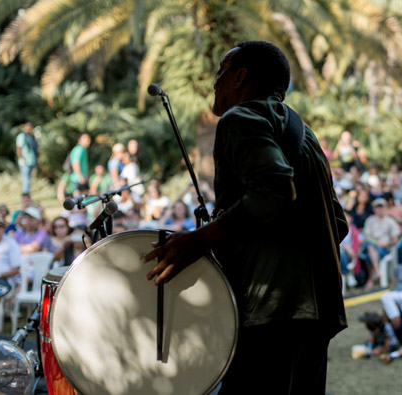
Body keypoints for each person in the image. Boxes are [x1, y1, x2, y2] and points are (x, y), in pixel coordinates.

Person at [143, 41, 348, 394]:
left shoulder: (242, 117)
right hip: (319, 311)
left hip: (273, 308)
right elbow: (338, 223)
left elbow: (275, 191)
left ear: (239, 77)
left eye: (221, 72)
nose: (214, 82)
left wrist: (201, 239)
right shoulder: (303, 133)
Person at [361, 198, 400, 290]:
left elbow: (395, 239)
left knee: (368, 254)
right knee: (370, 247)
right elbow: (367, 235)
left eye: (381, 207)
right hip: (372, 244)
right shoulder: (370, 220)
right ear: (374, 209)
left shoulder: (390, 221)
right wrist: (376, 242)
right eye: (377, 208)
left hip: (384, 247)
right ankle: (377, 272)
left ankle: (371, 279)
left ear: (385, 208)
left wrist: (386, 243)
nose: (379, 210)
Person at [16, 122, 38, 194]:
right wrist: (22, 159)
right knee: (26, 179)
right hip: (25, 162)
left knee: (28, 178)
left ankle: (27, 193)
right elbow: (19, 148)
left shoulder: (31, 137)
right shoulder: (22, 136)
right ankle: (26, 194)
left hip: (31, 161)